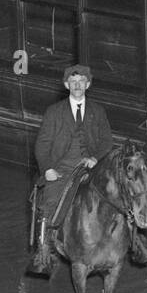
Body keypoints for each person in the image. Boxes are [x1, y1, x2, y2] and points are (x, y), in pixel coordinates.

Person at [25, 63, 115, 277]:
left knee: (120, 193)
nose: (77, 85)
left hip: (90, 166)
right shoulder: (54, 112)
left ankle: (136, 243)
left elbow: (107, 141)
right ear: (66, 85)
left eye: (81, 82)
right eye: (73, 82)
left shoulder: (97, 111)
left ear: (88, 84)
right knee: (50, 200)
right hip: (62, 168)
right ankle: (43, 252)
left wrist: (95, 157)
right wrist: (47, 169)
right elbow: (42, 144)